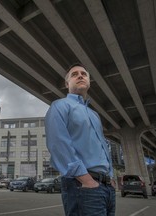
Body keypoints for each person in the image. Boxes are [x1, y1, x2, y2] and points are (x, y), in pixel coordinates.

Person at [45, 63, 116, 216]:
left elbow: (102, 146)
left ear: (89, 81)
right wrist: (86, 180)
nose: (80, 76)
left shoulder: (94, 115)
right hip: (82, 185)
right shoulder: (60, 106)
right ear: (66, 83)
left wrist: (111, 177)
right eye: (74, 74)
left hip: (107, 187)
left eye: (83, 74)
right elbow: (58, 145)